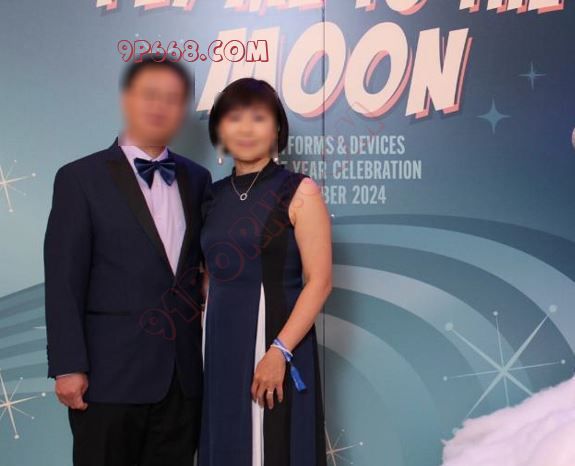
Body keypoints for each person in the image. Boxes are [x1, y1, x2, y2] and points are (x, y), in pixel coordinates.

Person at [43, 55, 211, 466]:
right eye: (150, 94)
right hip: (107, 379)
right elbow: (64, 280)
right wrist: (67, 366)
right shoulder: (79, 178)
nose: (160, 106)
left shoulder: (198, 179)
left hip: (181, 379)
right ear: (127, 100)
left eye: (172, 98)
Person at [198, 77, 332, 466]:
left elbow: (320, 282)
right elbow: (208, 278)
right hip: (219, 349)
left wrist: (279, 351)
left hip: (276, 347)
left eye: (258, 118)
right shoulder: (211, 196)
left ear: (276, 129)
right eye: (234, 118)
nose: (246, 128)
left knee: (274, 447)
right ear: (220, 130)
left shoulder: (299, 190)